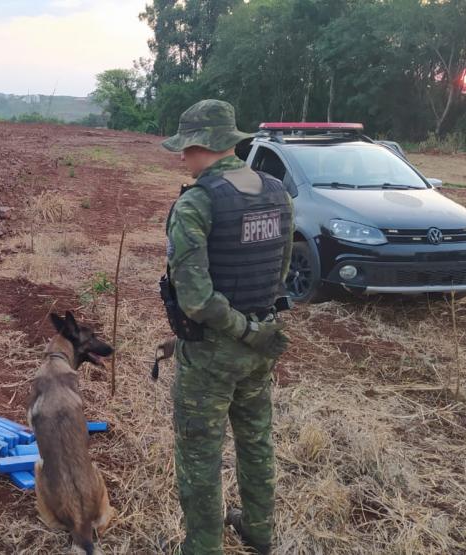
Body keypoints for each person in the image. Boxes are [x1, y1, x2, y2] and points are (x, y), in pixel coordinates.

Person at [160, 99, 294, 554]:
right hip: (262, 343)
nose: (181, 157)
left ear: (203, 144)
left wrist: (239, 330)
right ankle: (259, 531)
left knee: (199, 456)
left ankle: (202, 547)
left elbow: (195, 298)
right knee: (256, 441)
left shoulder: (197, 203)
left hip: (215, 352)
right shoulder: (276, 191)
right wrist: (257, 329)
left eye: (185, 147)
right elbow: (281, 274)